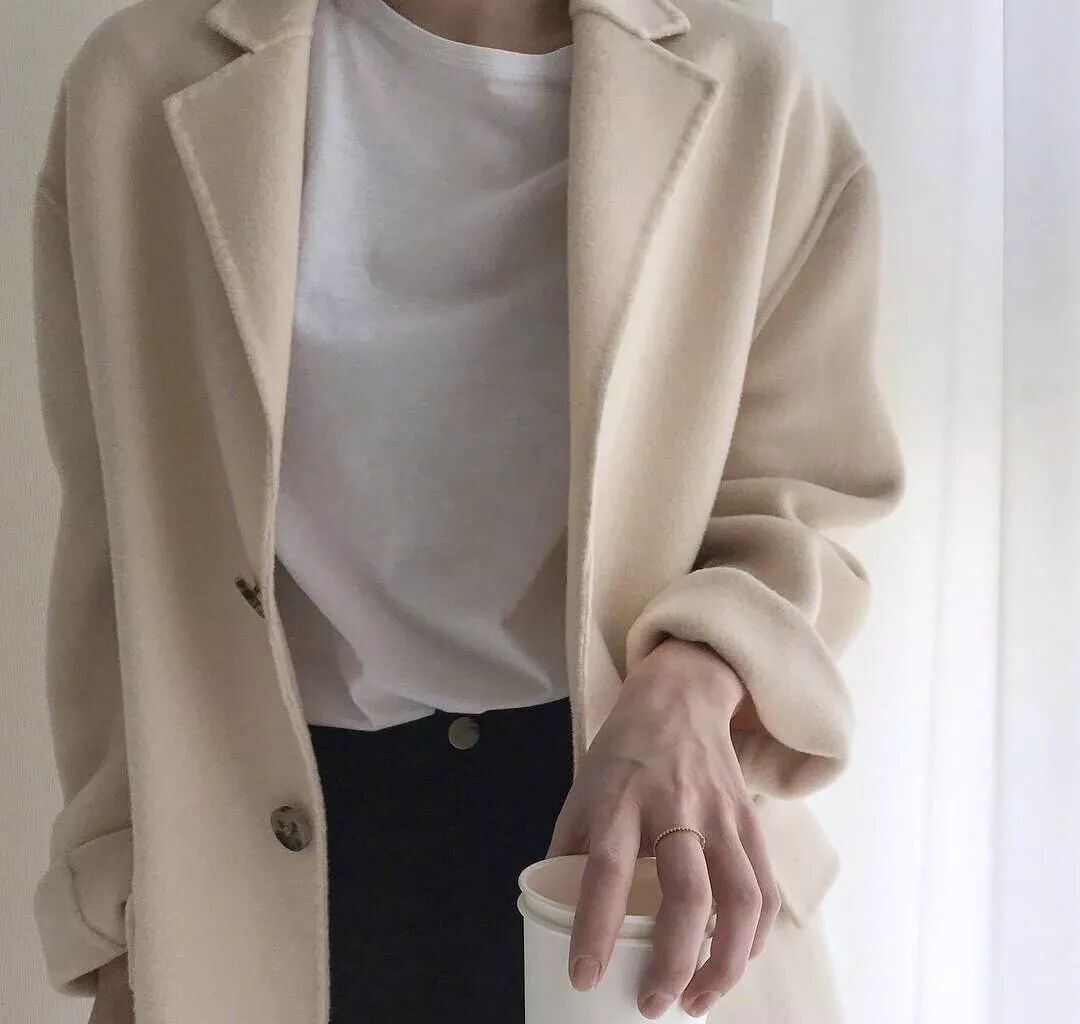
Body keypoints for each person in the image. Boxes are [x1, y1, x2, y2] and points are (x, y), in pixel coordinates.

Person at [29, 0, 905, 1021]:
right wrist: (123, 920)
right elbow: (117, 556)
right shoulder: (139, 87)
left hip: (642, 847)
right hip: (260, 871)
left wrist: (695, 677)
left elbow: (808, 499)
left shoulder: (755, 92)